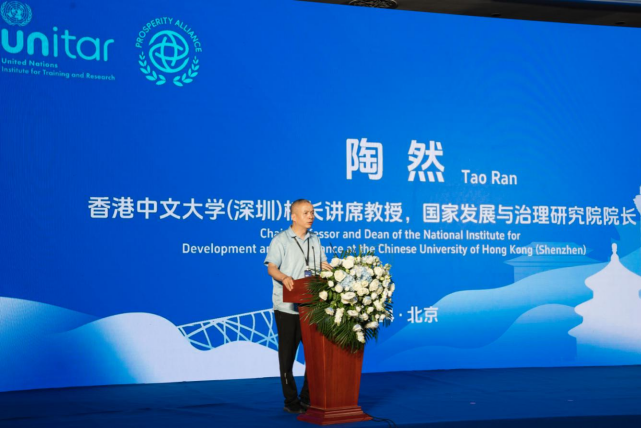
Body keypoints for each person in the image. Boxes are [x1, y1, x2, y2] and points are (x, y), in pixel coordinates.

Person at [264, 199, 332, 414]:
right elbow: (271, 268)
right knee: (287, 356)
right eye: (306, 213)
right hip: (287, 307)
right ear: (293, 217)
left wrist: (326, 268)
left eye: (312, 212)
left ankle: (307, 398)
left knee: (314, 355)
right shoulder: (281, 240)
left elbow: (320, 265)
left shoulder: (315, 239)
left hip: (311, 306)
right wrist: (284, 277)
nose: (311, 216)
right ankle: (291, 401)